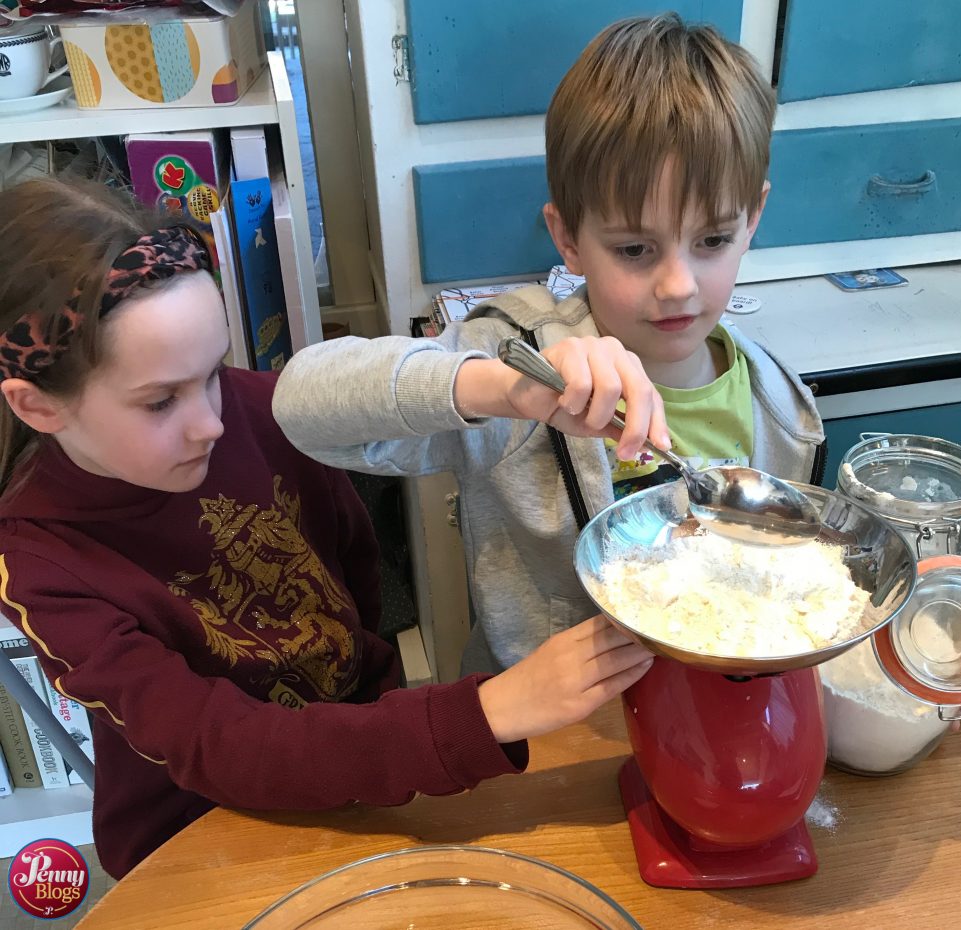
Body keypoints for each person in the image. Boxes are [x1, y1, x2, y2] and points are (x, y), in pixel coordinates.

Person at [0, 178, 657, 879]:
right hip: (202, 832)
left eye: (214, 372)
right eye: (161, 401)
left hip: (364, 761)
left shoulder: (250, 413)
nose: (214, 422)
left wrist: (506, 387)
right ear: (38, 408)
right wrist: (489, 710)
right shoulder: (42, 561)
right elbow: (224, 747)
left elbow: (353, 557)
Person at [273, 13, 826, 674]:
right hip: (556, 732)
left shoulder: (781, 407)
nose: (678, 285)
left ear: (752, 219)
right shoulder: (520, 360)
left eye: (712, 240)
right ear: (568, 239)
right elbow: (301, 406)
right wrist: (502, 390)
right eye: (634, 249)